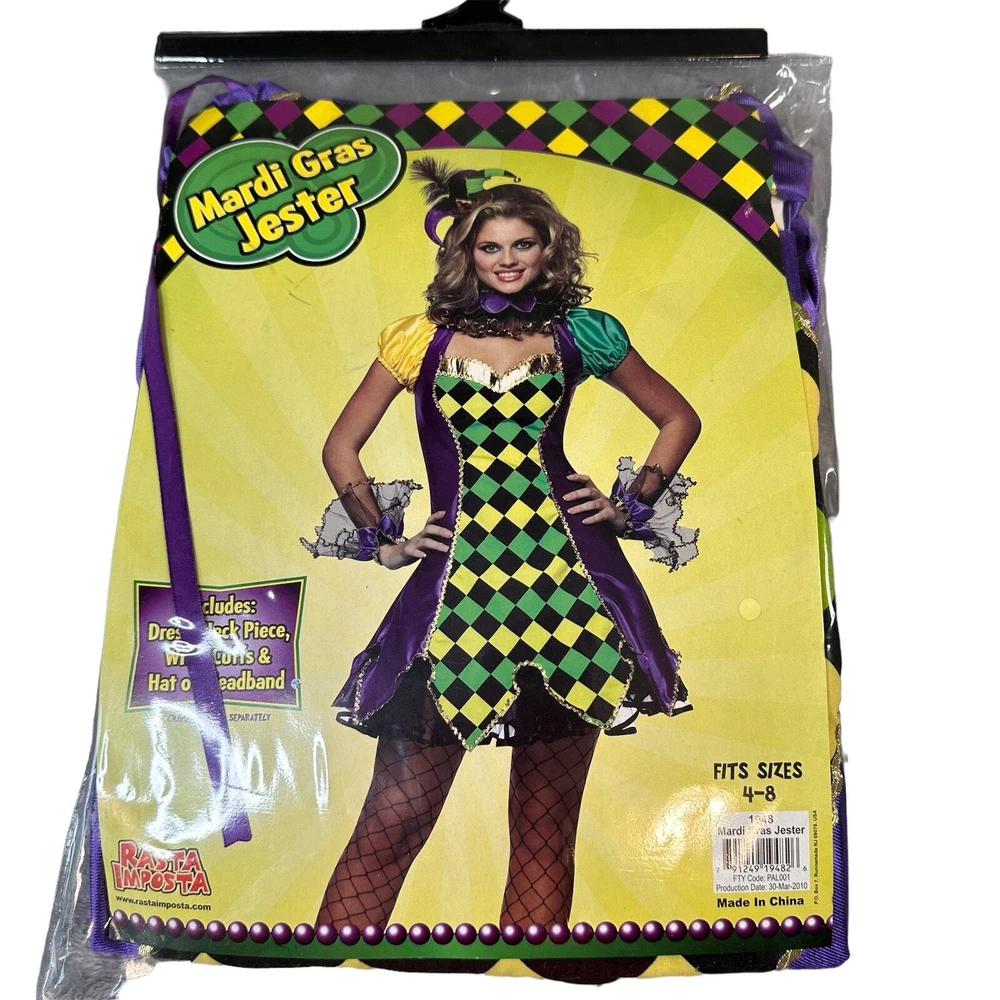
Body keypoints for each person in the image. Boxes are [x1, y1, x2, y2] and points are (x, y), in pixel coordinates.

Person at [301, 158, 701, 933]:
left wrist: (629, 505)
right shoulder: (419, 341)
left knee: (545, 828)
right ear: (465, 251)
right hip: (461, 591)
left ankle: (531, 973)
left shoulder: (583, 334)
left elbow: (678, 417)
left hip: (570, 592)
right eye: (491, 246)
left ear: (549, 249)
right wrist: (384, 540)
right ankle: (318, 972)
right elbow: (340, 446)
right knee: (395, 817)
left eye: (524, 244)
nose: (508, 259)